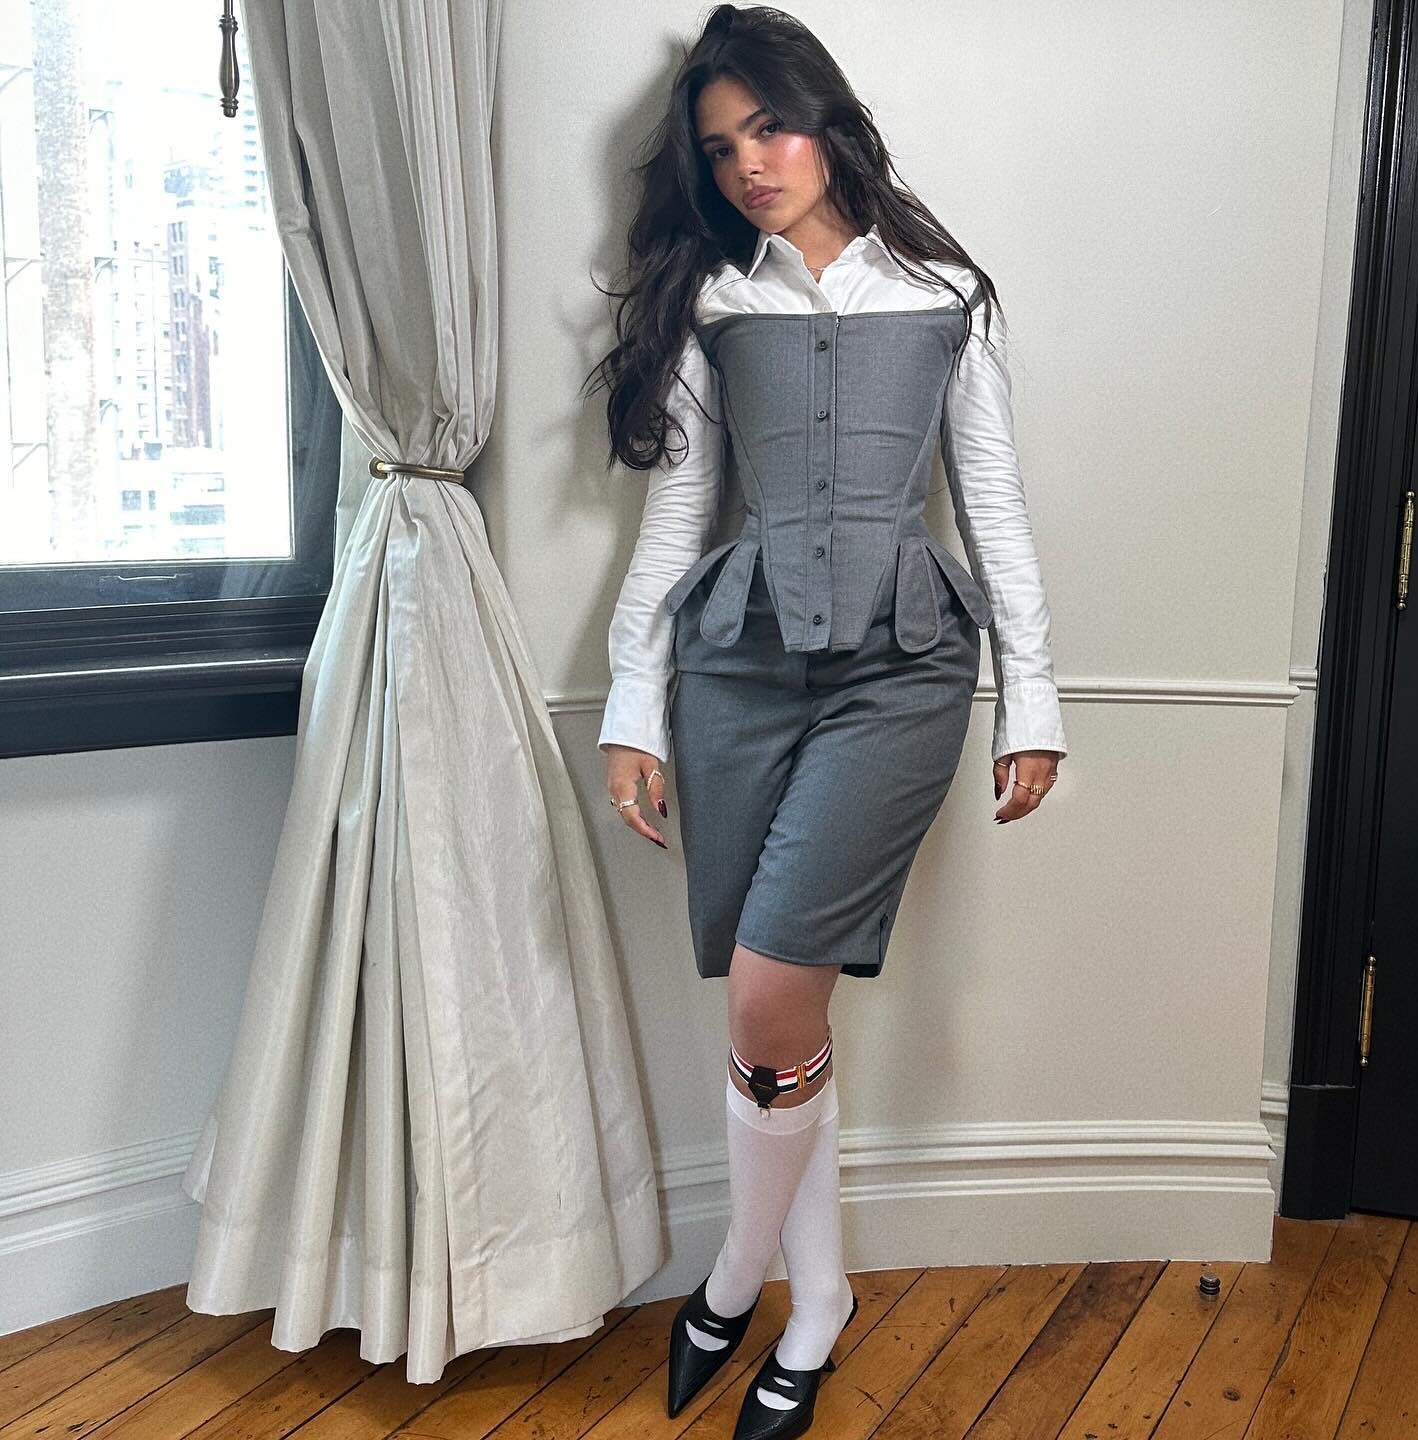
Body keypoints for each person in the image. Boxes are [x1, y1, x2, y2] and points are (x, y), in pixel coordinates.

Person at [584, 6, 1067, 1437]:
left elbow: (994, 510)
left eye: (770, 128)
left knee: (765, 992)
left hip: (901, 674)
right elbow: (676, 522)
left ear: (826, 125)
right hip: (734, 673)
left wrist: (1031, 699)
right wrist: (633, 706)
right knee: (781, 1011)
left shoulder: (949, 294)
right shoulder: (711, 305)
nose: (749, 164)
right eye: (720, 147)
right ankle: (821, 1299)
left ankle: (737, 1277)